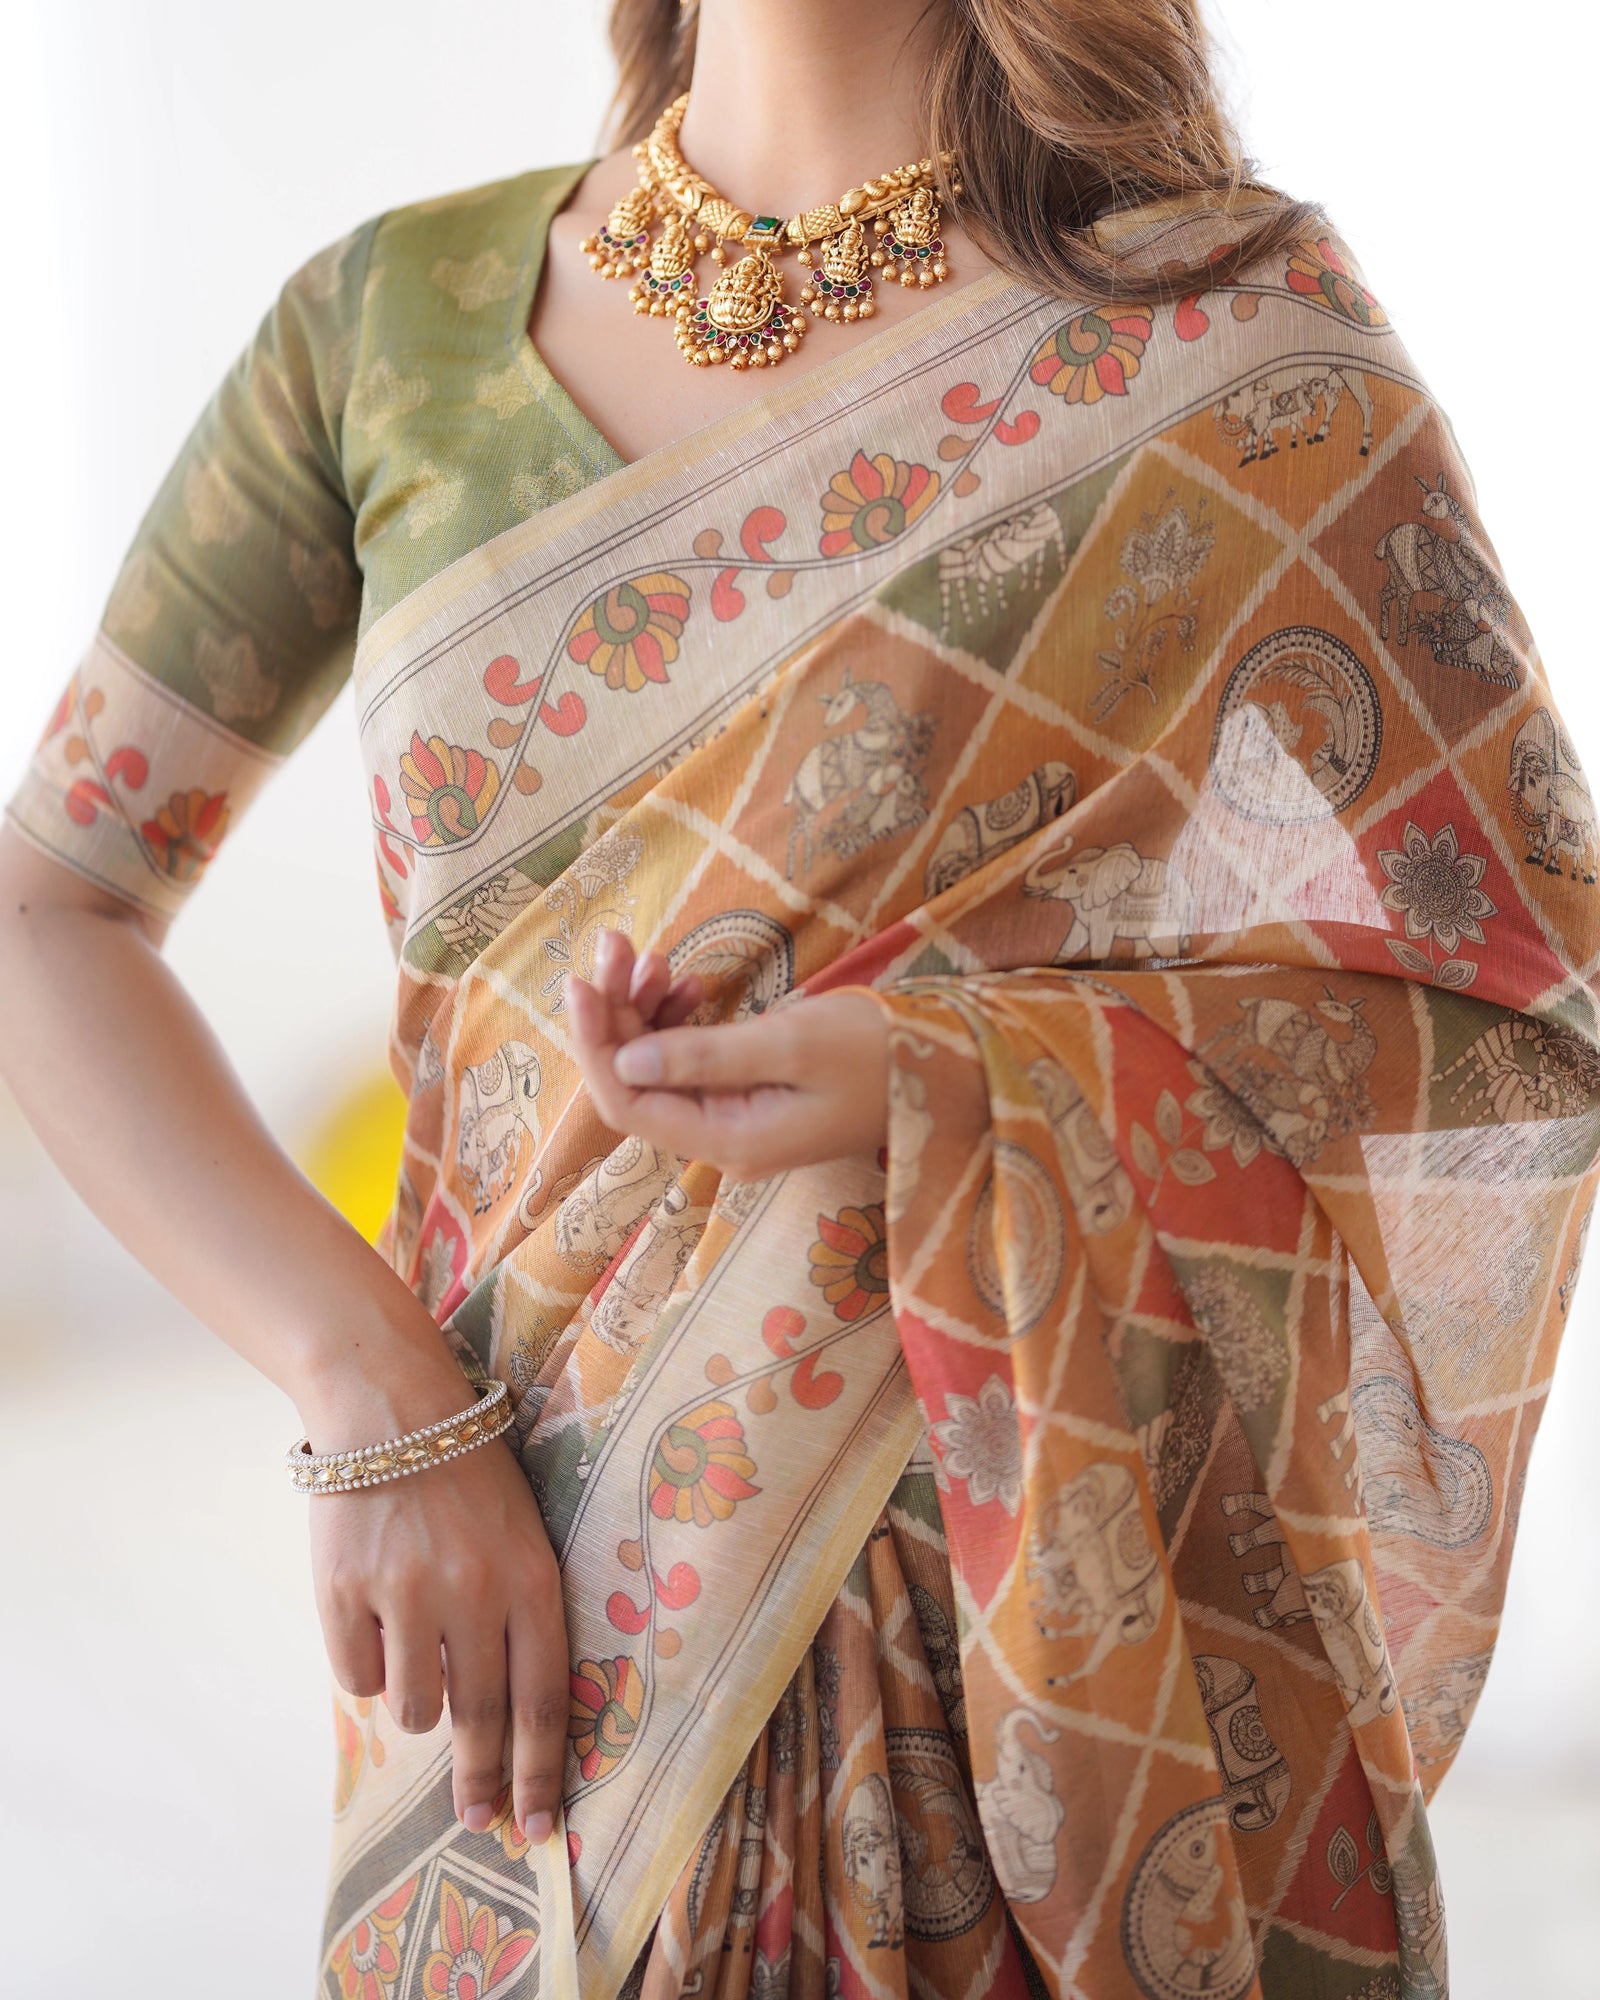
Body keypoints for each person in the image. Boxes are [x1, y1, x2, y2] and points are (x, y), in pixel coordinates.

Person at [3, 0, 1594, 1993]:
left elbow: (1510, 1006)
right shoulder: (385, 333)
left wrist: (937, 1073)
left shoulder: (1237, 342)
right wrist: (368, 1388)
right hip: (513, 1640)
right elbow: (47, 908)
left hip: (1016, 1660)